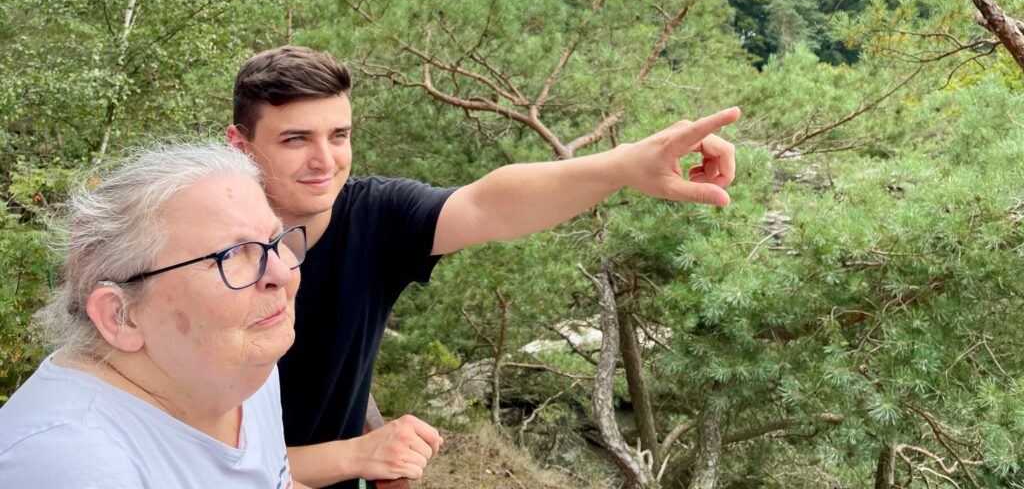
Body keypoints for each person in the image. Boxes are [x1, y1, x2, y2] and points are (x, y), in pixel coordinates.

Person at [227, 45, 741, 489]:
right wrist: (353, 456)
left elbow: (490, 204)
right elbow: (186, 461)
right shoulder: (196, 257)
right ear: (240, 146)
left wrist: (624, 165)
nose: (325, 160)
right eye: (296, 140)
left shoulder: (373, 217)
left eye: (339, 135)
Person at [0, 144, 308, 489]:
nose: (280, 272)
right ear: (122, 316)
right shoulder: (73, 462)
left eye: (272, 238)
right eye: (231, 254)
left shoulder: (239, 369)